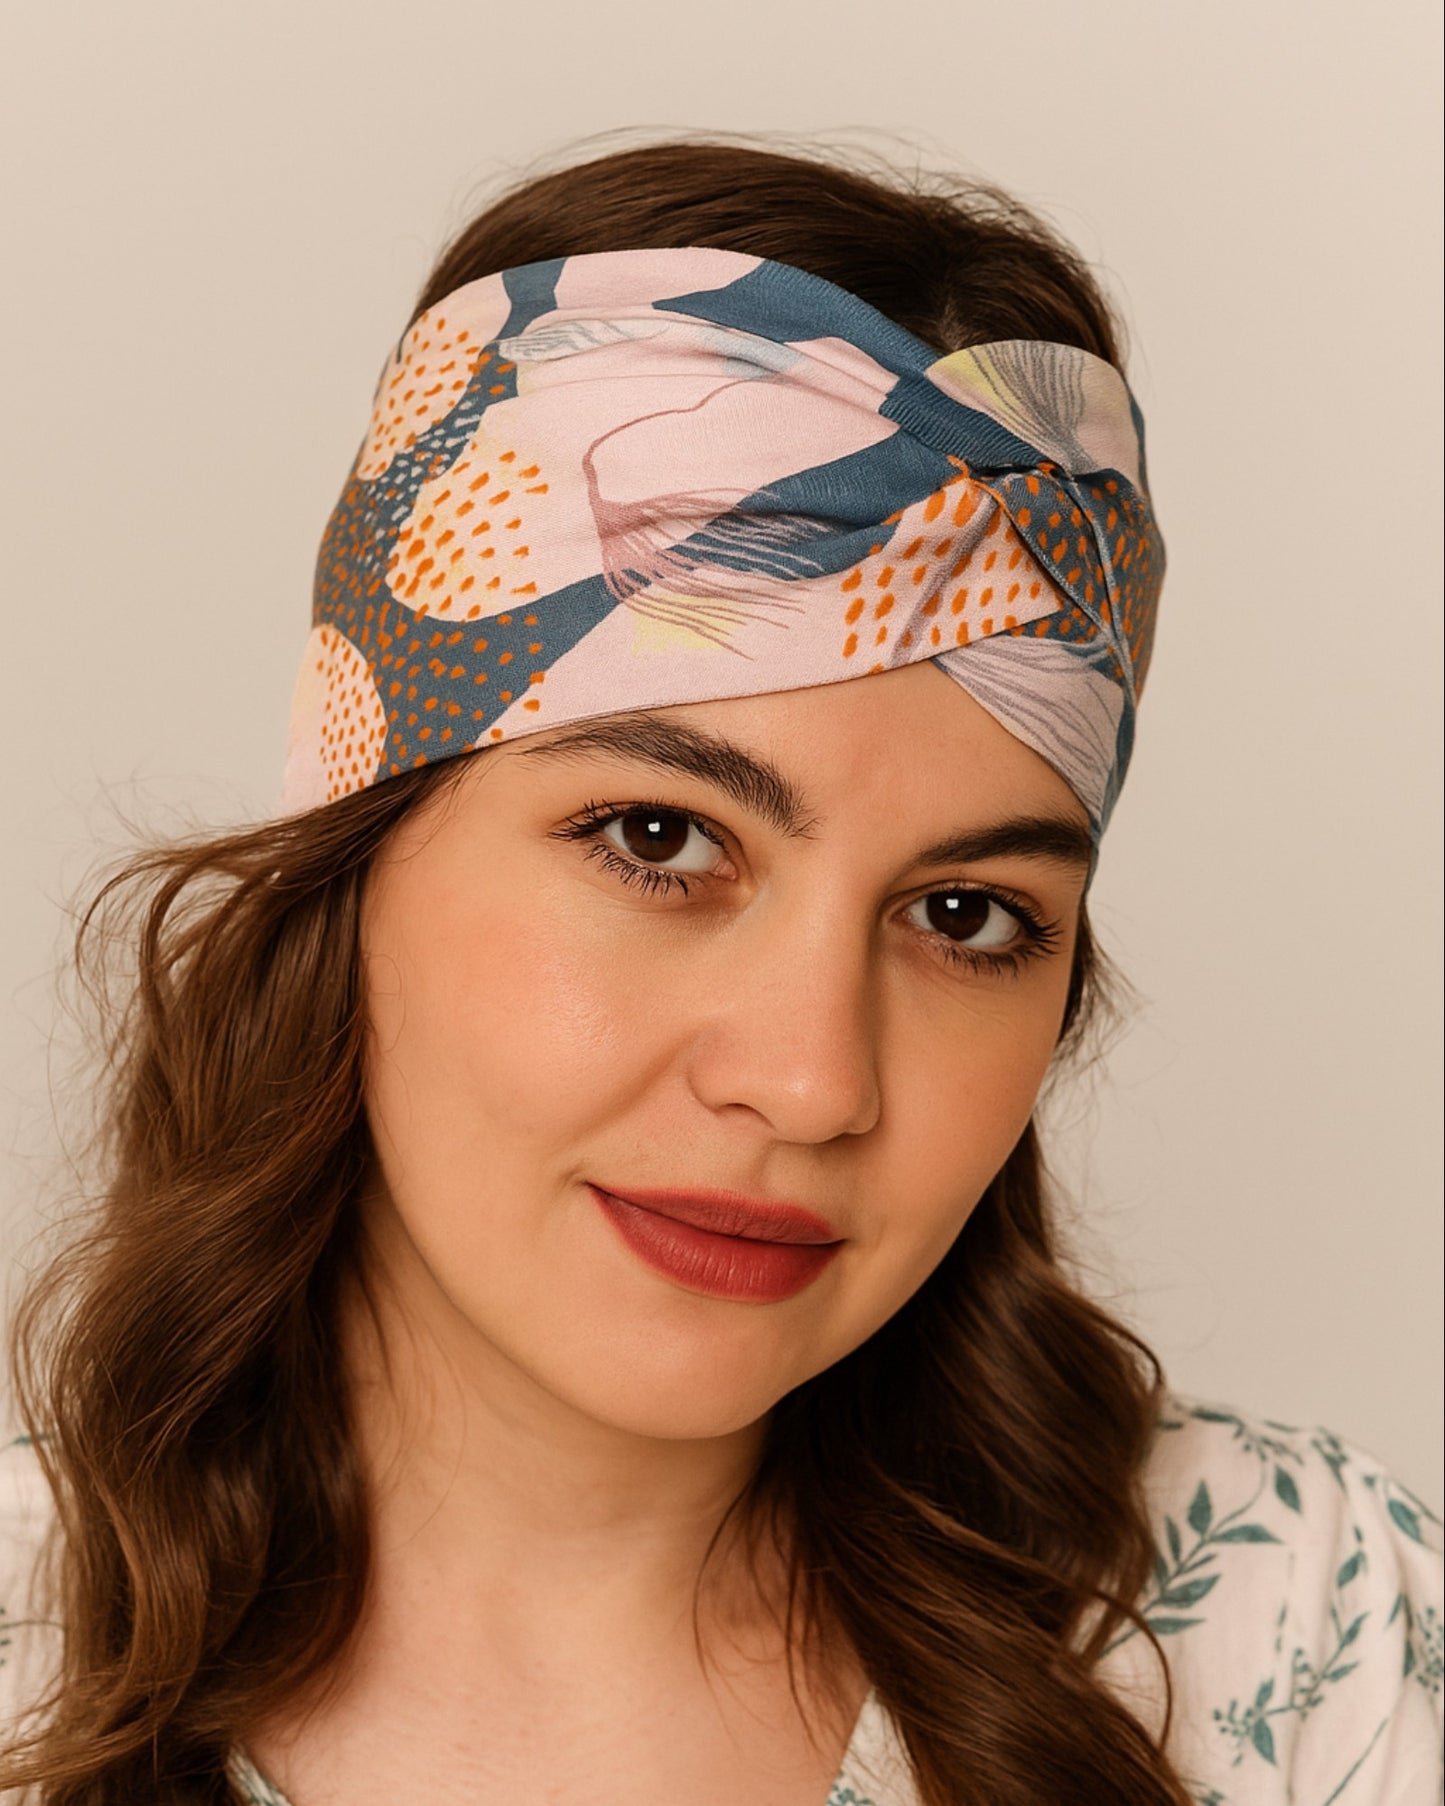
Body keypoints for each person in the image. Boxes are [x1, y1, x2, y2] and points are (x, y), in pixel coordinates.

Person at [0, 139, 1438, 1806]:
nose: (814, 1079)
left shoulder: (1293, 1629)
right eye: (659, 839)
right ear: (354, 849)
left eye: (965, 914)